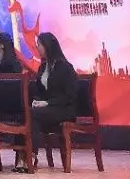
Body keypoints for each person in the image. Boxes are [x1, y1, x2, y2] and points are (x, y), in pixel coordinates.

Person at [17, 32, 78, 171]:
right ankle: (21, 155)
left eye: (39, 45)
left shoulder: (65, 67)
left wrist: (48, 103)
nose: (37, 48)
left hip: (64, 109)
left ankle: (31, 156)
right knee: (25, 112)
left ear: (48, 46)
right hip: (47, 109)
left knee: (34, 114)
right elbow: (40, 92)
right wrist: (37, 101)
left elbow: (70, 96)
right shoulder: (42, 67)